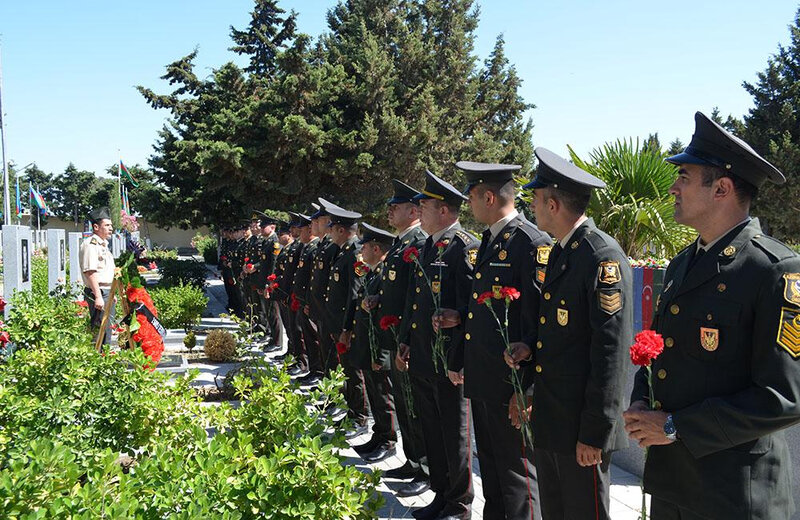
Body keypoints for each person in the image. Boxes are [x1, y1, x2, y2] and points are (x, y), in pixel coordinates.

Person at [622, 112, 800, 520]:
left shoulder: (775, 270)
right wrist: (640, 402)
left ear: (721, 188)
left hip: (733, 494)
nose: (672, 187)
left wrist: (673, 427)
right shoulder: (686, 262)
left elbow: (784, 399)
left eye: (684, 176)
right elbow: (660, 350)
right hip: (675, 484)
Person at [505, 147, 633, 519]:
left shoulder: (600, 256)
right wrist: (528, 358)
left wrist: (595, 432)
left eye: (537, 200)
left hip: (580, 426)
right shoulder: (564, 250)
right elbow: (558, 337)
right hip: (553, 418)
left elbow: (610, 352)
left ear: (554, 204)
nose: (533, 208)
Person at [437, 161, 550, 520]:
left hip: (510, 384)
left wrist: (526, 389)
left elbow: (536, 324)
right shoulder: (490, 238)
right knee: (493, 469)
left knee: (517, 476)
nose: (468, 204)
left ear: (489, 196)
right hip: (485, 377)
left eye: (471, 196)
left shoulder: (530, 243)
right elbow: (474, 314)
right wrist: (460, 359)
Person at [398, 170, 478, 520]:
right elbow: (415, 302)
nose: (419, 211)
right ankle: (441, 494)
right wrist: (405, 340)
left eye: (424, 205)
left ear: (444, 210)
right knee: (432, 429)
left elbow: (473, 306)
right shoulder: (425, 246)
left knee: (454, 434)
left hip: (448, 361)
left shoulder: (464, 246)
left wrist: (459, 356)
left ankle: (459, 502)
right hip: (422, 355)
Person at [364, 179, 431, 496]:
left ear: (414, 211)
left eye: (396, 207)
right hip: (393, 336)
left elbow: (414, 297)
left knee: (414, 407)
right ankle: (414, 460)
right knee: (404, 404)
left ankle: (427, 469)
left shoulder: (418, 243)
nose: (389, 211)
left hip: (407, 339)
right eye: (390, 206)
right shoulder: (402, 245)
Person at [347, 222, 398, 462]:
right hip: (369, 345)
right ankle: (379, 435)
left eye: (365, 247)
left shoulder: (386, 274)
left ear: (377, 249)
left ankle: (388, 441)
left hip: (380, 348)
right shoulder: (373, 273)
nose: (361, 251)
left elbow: (388, 316)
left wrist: (381, 356)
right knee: (376, 394)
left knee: (383, 394)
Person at [79, 206, 116, 346]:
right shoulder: (90, 245)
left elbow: (104, 272)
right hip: (98, 292)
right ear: (96, 227)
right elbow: (90, 272)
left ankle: (105, 359)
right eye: (107, 225)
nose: (110, 228)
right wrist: (98, 296)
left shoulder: (102, 245)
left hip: (106, 292)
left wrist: (111, 292)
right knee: (101, 330)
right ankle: (100, 361)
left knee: (107, 329)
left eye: (111, 225)